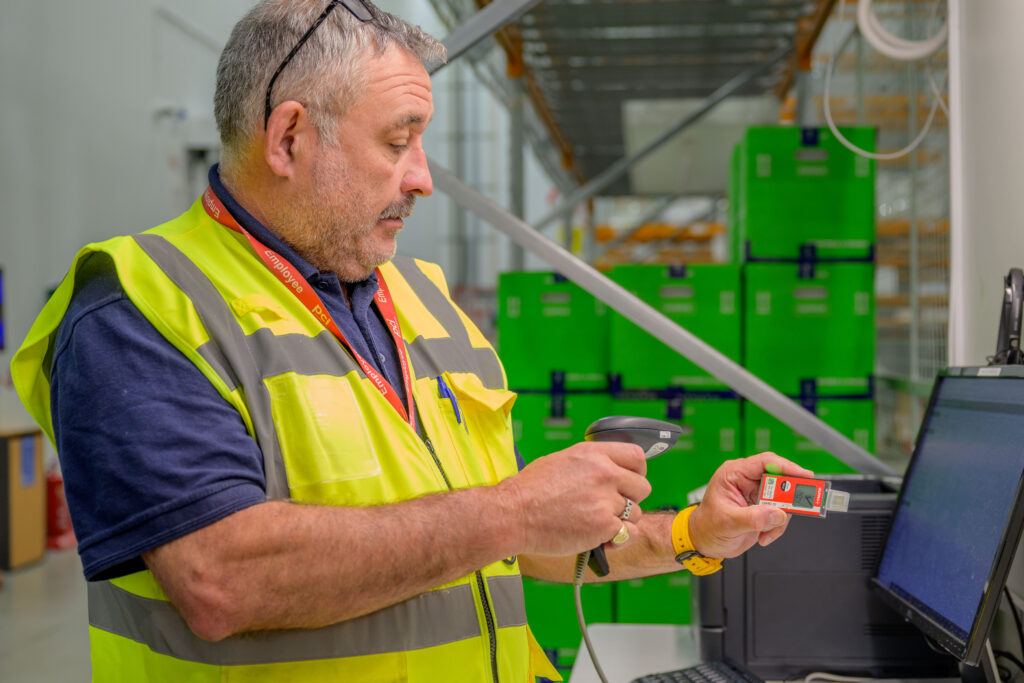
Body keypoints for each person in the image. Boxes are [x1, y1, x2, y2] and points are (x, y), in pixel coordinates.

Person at [11, 1, 812, 681]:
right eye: (399, 141)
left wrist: (689, 534)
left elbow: (512, 540)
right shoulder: (139, 305)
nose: (423, 177)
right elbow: (223, 579)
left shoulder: (422, 302)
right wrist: (512, 509)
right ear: (288, 138)